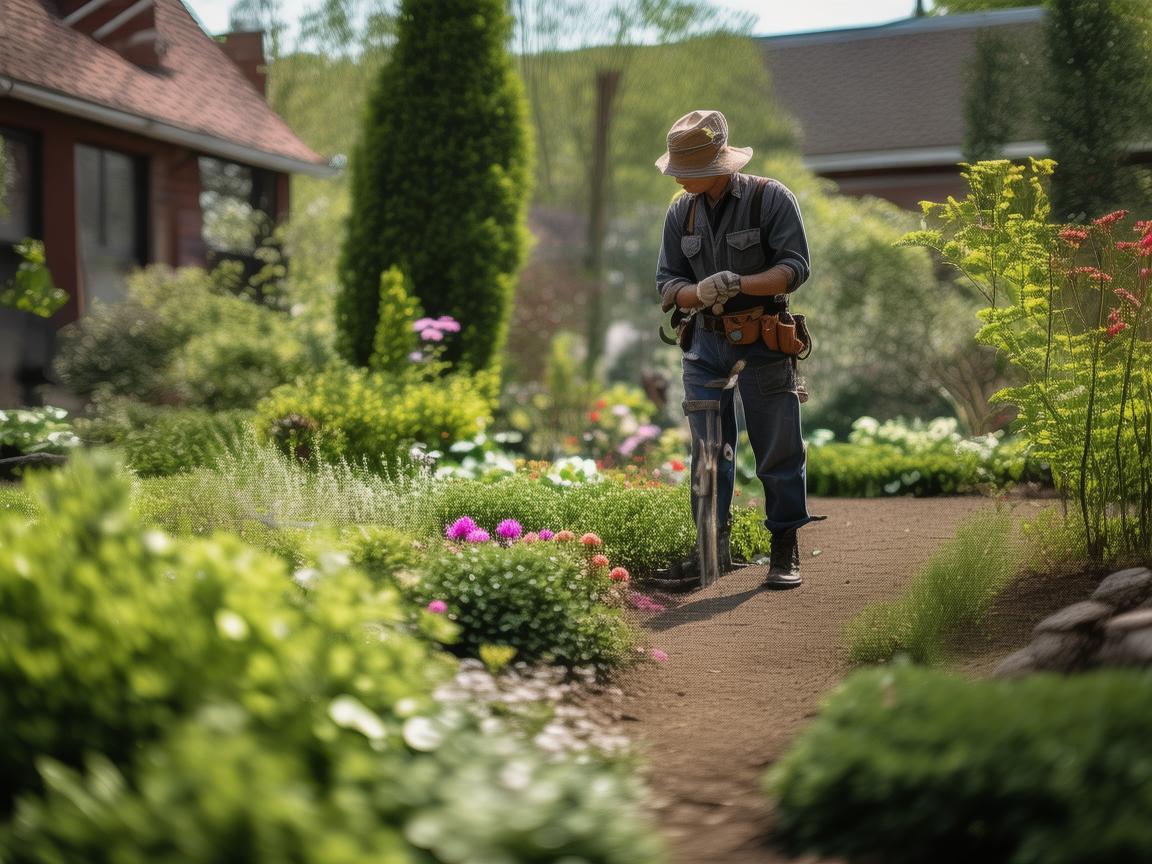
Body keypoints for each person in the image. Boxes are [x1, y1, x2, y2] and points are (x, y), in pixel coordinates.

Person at [654, 109, 815, 589]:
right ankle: (711, 553)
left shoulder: (771, 199)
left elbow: (795, 268)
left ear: (716, 165)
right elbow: (667, 283)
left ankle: (784, 548)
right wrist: (698, 292)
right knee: (708, 453)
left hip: (764, 339)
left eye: (687, 168)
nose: (677, 176)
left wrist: (741, 282)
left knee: (778, 448)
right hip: (703, 344)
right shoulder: (680, 212)